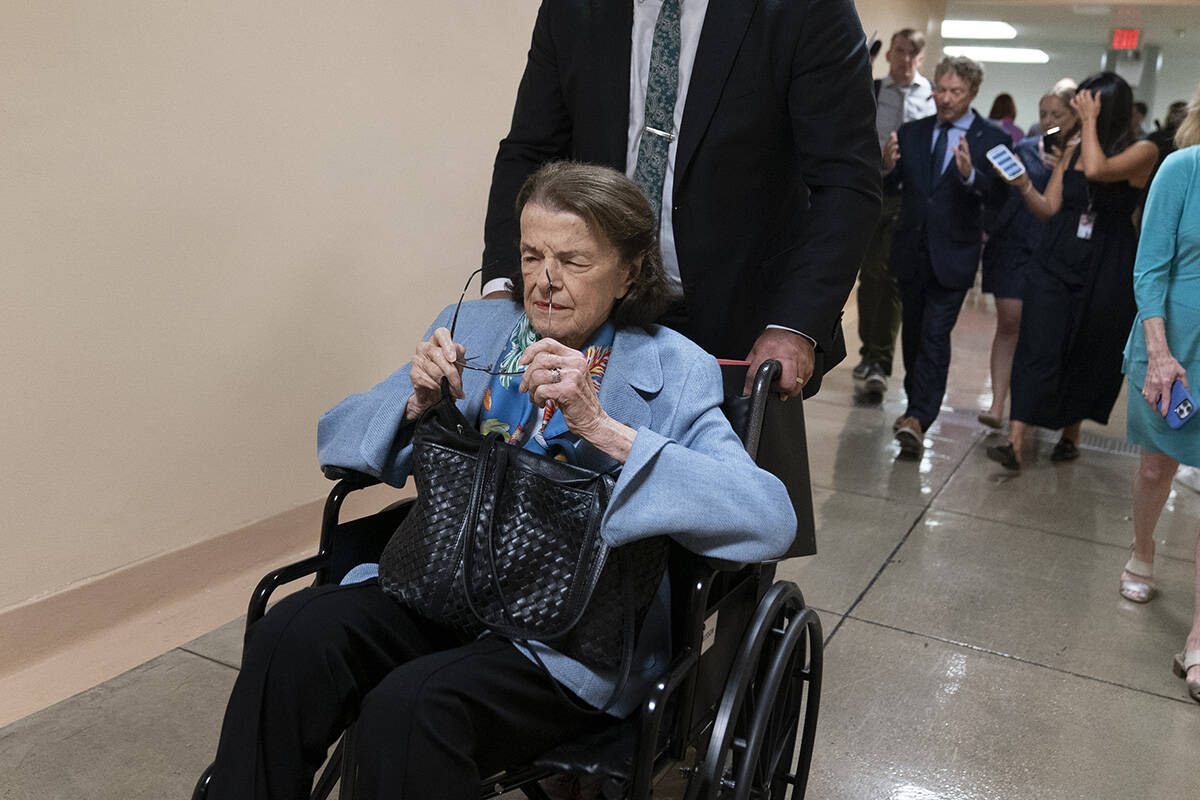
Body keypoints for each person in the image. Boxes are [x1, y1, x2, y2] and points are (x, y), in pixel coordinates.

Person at [202, 163, 796, 799]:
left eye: (574, 260)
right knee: (291, 635)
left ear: (628, 272)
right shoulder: (472, 327)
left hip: (562, 636)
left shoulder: (675, 370)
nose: (545, 280)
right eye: (532, 254)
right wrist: (413, 399)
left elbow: (768, 516)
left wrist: (604, 429)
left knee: (410, 708)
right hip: (436, 588)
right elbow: (335, 438)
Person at [481, 0, 881, 401]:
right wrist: (503, 288)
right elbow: (529, 153)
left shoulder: (807, 10)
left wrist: (794, 325)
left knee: (714, 464)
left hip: (738, 334)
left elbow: (845, 182)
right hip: (592, 315)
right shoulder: (572, 10)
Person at [986, 72, 1158, 470]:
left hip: (1106, 262)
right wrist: (1024, 183)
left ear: (1106, 106)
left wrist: (1089, 126)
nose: (1080, 106)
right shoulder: (1072, 145)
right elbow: (1049, 206)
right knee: (1037, 342)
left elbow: (1098, 171)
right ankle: (1014, 440)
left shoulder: (1143, 150)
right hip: (1057, 255)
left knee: (1087, 348)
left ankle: (1070, 433)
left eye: (1088, 101)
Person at [1116, 85, 1200, 703]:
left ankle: (1199, 637)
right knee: (1155, 467)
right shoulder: (1183, 168)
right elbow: (1151, 266)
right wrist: (1161, 352)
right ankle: (1142, 550)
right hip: (1172, 344)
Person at [883, 56, 1010, 455]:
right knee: (915, 335)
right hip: (911, 251)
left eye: (955, 92)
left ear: (972, 93)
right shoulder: (913, 132)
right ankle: (914, 409)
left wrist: (972, 175)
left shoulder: (992, 138)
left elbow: (1000, 197)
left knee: (936, 337)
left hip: (954, 256)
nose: (945, 98)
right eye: (941, 89)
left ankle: (920, 417)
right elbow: (894, 186)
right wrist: (886, 167)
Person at [977, 86, 1077, 429]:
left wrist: (1061, 167)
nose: (1048, 122)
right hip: (1013, 247)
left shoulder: (1080, 160)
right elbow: (994, 197)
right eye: (1043, 113)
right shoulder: (1020, 150)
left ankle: (1029, 409)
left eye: (1057, 115)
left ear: (1074, 117)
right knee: (1009, 321)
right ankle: (997, 403)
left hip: (1053, 251)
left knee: (1041, 333)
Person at [852, 27, 937, 396]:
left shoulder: (933, 98)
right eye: (900, 51)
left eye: (912, 54)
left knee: (892, 277)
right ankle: (870, 350)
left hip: (912, 200)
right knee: (870, 277)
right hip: (874, 192)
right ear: (889, 55)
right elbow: (853, 144)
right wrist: (880, 162)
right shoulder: (870, 92)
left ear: (920, 57)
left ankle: (880, 360)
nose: (905, 59)